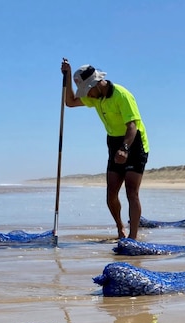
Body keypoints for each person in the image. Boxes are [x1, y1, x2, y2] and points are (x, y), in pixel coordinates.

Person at [61, 60, 149, 239]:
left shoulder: (122, 95)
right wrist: (67, 75)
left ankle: (132, 238)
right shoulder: (96, 98)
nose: (87, 96)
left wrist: (125, 149)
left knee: (132, 192)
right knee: (111, 194)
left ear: (96, 84)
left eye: (87, 91)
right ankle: (120, 228)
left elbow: (132, 126)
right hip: (113, 142)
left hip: (134, 141)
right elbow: (69, 102)